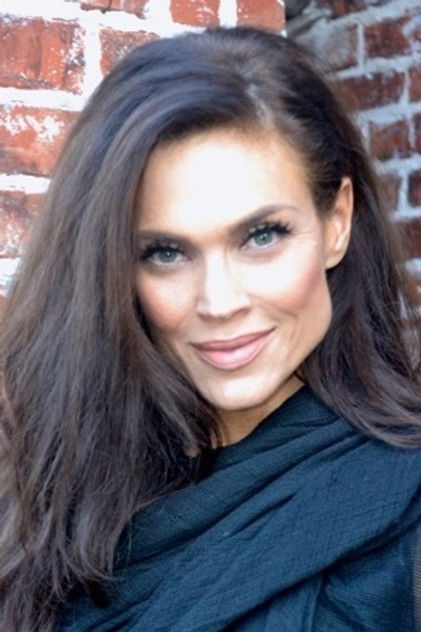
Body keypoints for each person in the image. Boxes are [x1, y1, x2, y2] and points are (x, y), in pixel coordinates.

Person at [0, 25, 420, 632]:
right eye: (166, 252)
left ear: (336, 223)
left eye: (262, 236)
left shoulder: (404, 501)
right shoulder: (52, 493)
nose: (219, 302)